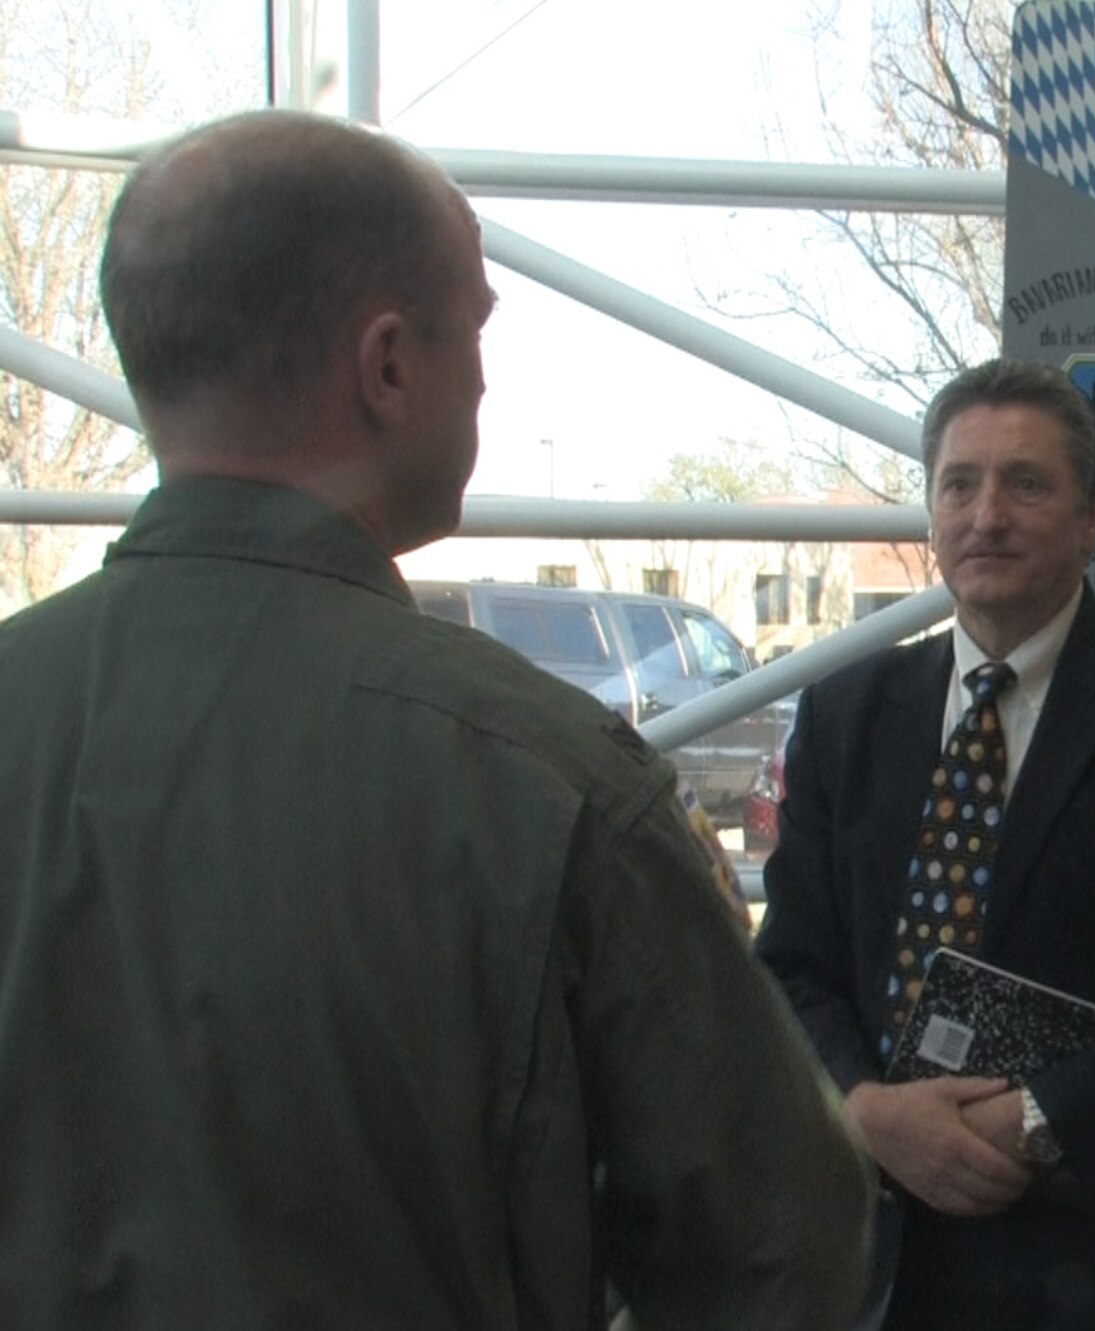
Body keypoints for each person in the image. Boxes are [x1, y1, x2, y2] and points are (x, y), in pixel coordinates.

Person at [0, 109, 873, 1329]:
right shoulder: (540, 778)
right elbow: (780, 1250)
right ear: (389, 365)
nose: (482, 379)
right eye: (472, 330)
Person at [755, 358, 1095, 1331]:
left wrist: (1030, 1122)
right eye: (958, 484)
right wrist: (863, 1107)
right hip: (900, 1257)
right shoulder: (846, 715)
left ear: (1092, 515)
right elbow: (790, 967)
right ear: (930, 512)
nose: (987, 514)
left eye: (1026, 482)